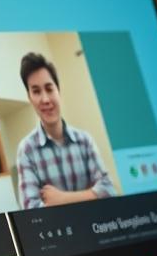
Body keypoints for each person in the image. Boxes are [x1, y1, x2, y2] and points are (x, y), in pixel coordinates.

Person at [14, 51, 116, 209]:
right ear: (29, 98)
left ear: (58, 90)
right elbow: (31, 209)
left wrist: (61, 199)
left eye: (49, 89)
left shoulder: (84, 140)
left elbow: (109, 189)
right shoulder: (26, 150)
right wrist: (90, 194)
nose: (45, 99)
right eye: (36, 91)